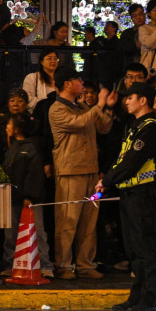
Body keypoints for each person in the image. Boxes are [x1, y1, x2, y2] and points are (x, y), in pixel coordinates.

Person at [97, 82, 156, 311]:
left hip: (143, 195)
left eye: (130, 97)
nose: (126, 101)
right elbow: (121, 157)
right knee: (133, 248)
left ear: (143, 100)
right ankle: (137, 295)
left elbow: (132, 162)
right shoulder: (134, 126)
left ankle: (150, 299)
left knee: (147, 247)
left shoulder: (150, 128)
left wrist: (107, 181)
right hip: (128, 194)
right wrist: (106, 180)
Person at [48, 71, 115, 280]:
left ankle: (85, 264)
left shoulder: (83, 106)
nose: (82, 84)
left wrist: (107, 107)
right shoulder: (56, 108)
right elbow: (78, 124)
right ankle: (63, 265)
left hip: (91, 171)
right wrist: (98, 106)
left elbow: (104, 127)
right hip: (70, 171)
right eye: (78, 81)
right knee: (68, 220)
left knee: (89, 221)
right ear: (67, 83)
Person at [1, 113, 48, 276]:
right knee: (11, 233)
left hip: (30, 199)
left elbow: (35, 174)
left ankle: (45, 266)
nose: (6, 127)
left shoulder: (30, 148)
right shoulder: (12, 147)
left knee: (38, 232)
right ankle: (10, 264)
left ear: (17, 129)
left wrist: (29, 196)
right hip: (12, 198)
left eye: (9, 124)